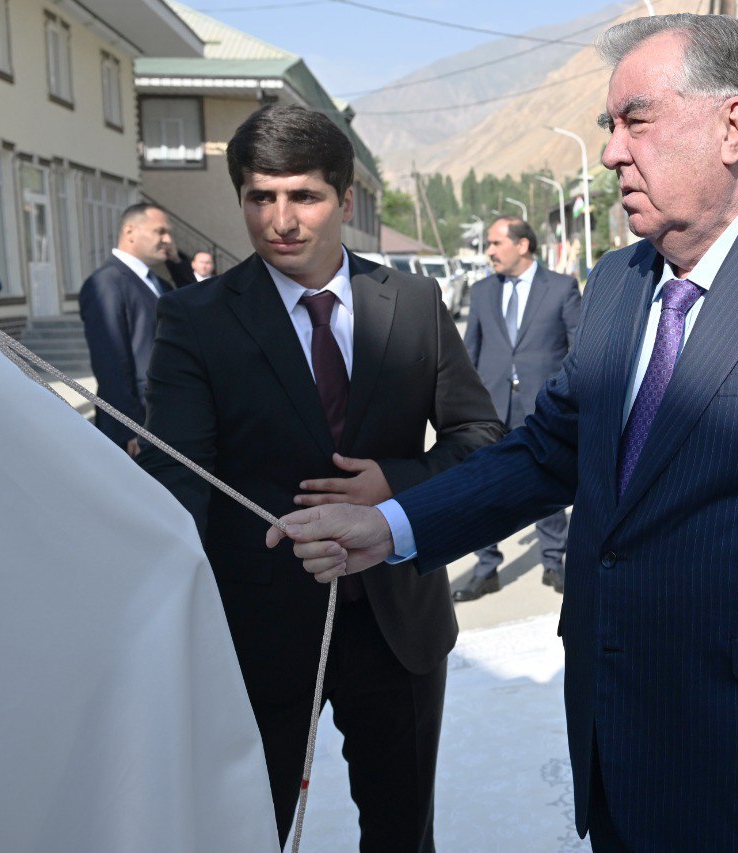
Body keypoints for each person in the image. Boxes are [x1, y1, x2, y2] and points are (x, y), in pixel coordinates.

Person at [270, 14, 738, 853]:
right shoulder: (619, 281)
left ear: (733, 126)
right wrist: (391, 524)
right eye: (607, 127)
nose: (612, 152)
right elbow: (548, 449)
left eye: (636, 121)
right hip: (623, 750)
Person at [138, 104, 502, 850]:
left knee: (402, 834)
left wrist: (393, 483)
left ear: (345, 198)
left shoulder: (414, 304)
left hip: (396, 623)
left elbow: (481, 440)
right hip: (258, 633)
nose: (280, 220)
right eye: (259, 197)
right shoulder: (195, 320)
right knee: (252, 831)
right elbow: (179, 483)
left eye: (303, 195)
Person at [453, 216, 581, 601]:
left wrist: (566, 398)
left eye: (495, 243)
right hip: (490, 408)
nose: (489, 251)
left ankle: (554, 561)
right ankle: (486, 567)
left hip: (543, 406)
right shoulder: (482, 291)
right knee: (482, 489)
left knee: (546, 484)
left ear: (522, 245)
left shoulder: (560, 288)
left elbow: (580, 349)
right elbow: (469, 353)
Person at [79, 203, 175, 456]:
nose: (168, 240)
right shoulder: (106, 283)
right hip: (137, 426)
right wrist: (129, 426)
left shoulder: (158, 283)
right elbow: (110, 361)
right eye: (160, 231)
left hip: (164, 415)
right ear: (130, 231)